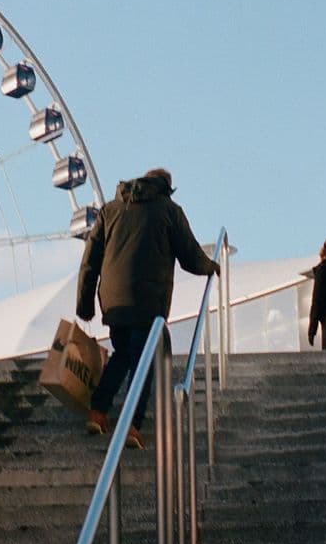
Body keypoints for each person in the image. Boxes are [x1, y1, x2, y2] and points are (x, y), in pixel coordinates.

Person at [75, 168, 220, 447]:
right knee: (144, 360)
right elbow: (189, 254)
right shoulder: (169, 210)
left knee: (122, 355)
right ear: (167, 187)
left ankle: (98, 411)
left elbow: (90, 260)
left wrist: (85, 304)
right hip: (148, 297)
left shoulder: (111, 209)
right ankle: (131, 425)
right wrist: (211, 266)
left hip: (113, 299)